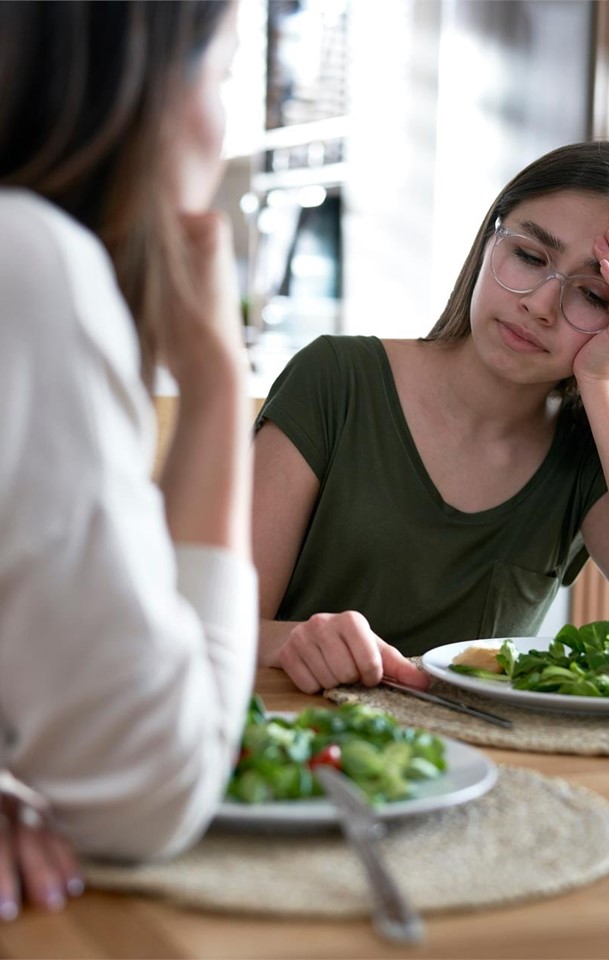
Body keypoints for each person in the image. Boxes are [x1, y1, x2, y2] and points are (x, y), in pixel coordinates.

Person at [0, 0, 256, 918]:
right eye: (222, 73)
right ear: (137, 79)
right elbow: (154, 787)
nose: (220, 132)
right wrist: (220, 383)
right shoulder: (31, 263)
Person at [253, 139, 609, 694]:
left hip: (483, 769)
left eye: (594, 295)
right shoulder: (335, 379)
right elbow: (214, 627)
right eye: (530, 257)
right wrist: (291, 642)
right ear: (490, 242)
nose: (539, 305)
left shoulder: (591, 451)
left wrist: (606, 384)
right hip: (293, 757)